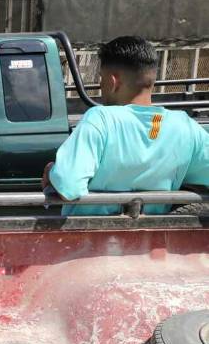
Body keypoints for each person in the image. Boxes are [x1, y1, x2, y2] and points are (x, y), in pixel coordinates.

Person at [43, 35, 209, 215]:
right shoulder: (185, 126)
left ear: (113, 82)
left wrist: (52, 173)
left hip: (91, 231)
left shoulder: (100, 119)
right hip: (154, 231)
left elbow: (68, 186)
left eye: (101, 78)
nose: (101, 85)